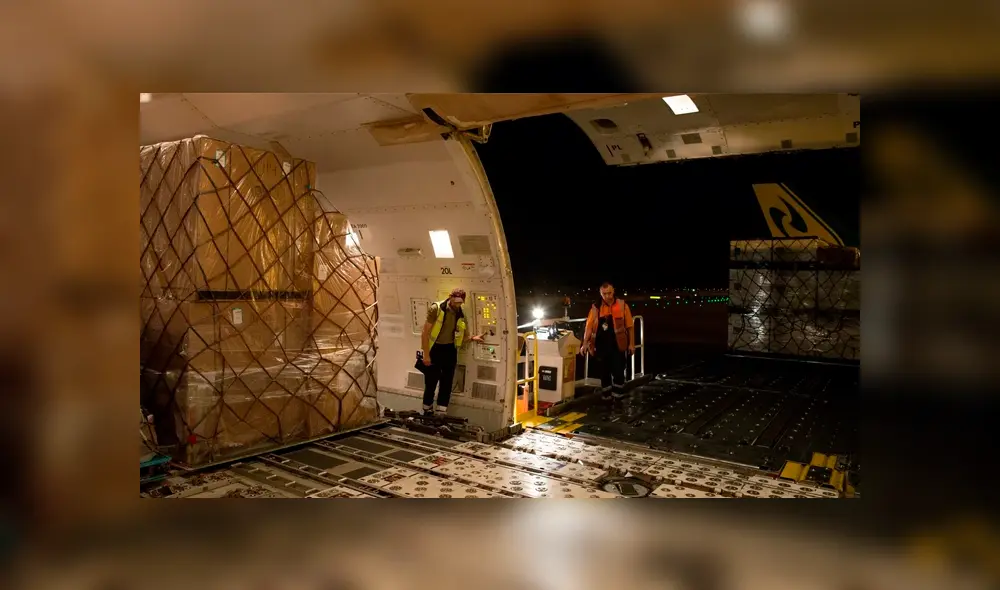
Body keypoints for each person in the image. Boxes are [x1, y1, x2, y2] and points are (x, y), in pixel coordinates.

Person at [421, 289, 485, 416]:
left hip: (450, 349)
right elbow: (425, 333)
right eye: (455, 302)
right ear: (450, 298)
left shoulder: (460, 314)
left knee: (447, 382)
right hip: (435, 348)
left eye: (460, 302)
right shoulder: (437, 309)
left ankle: (441, 411)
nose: (457, 304)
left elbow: (462, 335)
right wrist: (426, 354)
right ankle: (427, 408)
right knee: (431, 381)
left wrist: (472, 338)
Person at [580, 282, 635, 399]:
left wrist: (631, 344)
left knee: (618, 370)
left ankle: (618, 396)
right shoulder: (595, 308)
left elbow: (630, 326)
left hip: (617, 344)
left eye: (609, 293)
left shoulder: (622, 305)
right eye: (604, 294)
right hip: (601, 345)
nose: (607, 296)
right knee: (604, 372)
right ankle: (606, 397)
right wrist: (584, 344)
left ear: (613, 291)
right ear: (600, 293)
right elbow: (589, 328)